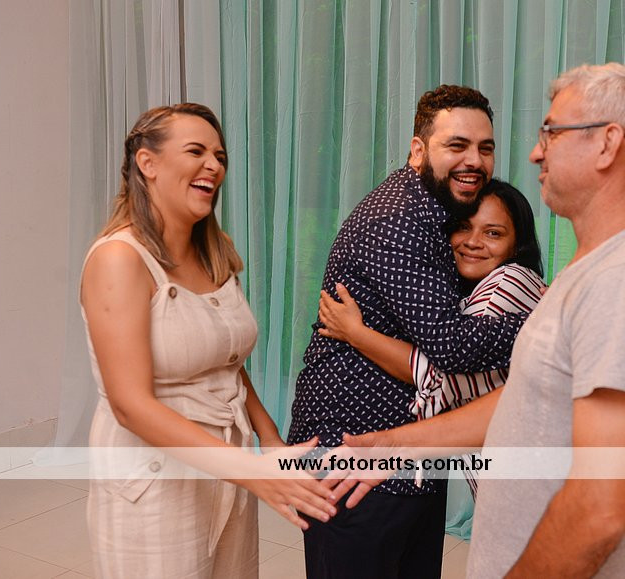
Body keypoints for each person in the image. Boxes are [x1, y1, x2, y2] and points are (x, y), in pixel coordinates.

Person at [339, 63, 625, 578]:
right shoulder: (587, 272)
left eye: (552, 132)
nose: (535, 152)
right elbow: (525, 398)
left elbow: (598, 511)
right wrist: (397, 444)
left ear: (607, 145)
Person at [80, 103, 337, 578]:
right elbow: (130, 406)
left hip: (226, 466)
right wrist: (252, 471)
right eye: (196, 151)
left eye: (219, 156)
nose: (214, 166)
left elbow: (226, 361)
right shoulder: (119, 259)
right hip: (154, 478)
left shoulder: (215, 251)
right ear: (147, 162)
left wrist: (269, 439)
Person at [287, 86, 528, 578]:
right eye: (457, 145)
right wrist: (547, 325)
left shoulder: (438, 210)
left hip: (407, 455)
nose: (474, 160)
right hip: (352, 453)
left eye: (485, 148)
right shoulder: (397, 219)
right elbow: (452, 347)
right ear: (418, 150)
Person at [316, 179, 546, 497]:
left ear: (517, 245)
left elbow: (443, 377)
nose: (473, 242)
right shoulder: (471, 290)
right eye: (463, 227)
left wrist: (357, 334)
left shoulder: (508, 282)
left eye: (493, 233)